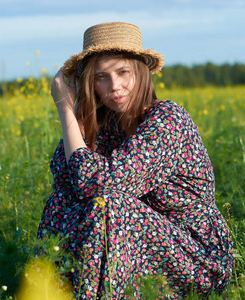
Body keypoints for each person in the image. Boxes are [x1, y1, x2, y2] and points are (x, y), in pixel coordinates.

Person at [37, 21, 234, 299]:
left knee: (111, 203)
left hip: (195, 257)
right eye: (101, 77)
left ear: (141, 72)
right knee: (61, 202)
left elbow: (95, 184)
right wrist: (78, 112)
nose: (114, 86)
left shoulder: (168, 120)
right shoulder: (109, 125)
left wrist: (65, 111)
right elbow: (67, 180)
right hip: (136, 251)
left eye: (123, 72)